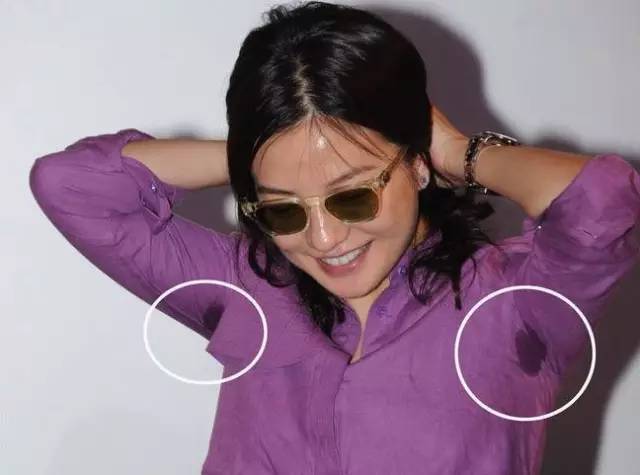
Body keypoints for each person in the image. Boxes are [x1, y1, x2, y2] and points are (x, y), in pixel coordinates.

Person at [29, 2, 640, 474]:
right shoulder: (247, 288)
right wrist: (266, 152)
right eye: (284, 209)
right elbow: (71, 186)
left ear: (417, 164)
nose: (322, 238)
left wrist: (458, 151)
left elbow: (604, 199)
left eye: (352, 196)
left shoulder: (516, 304)